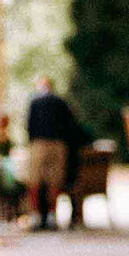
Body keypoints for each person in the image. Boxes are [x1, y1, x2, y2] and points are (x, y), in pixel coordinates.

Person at [23, 76, 83, 230]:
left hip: (39, 144)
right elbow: (70, 124)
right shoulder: (60, 102)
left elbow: (28, 125)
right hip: (58, 144)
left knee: (35, 180)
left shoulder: (34, 102)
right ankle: (51, 216)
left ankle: (36, 216)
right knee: (55, 181)